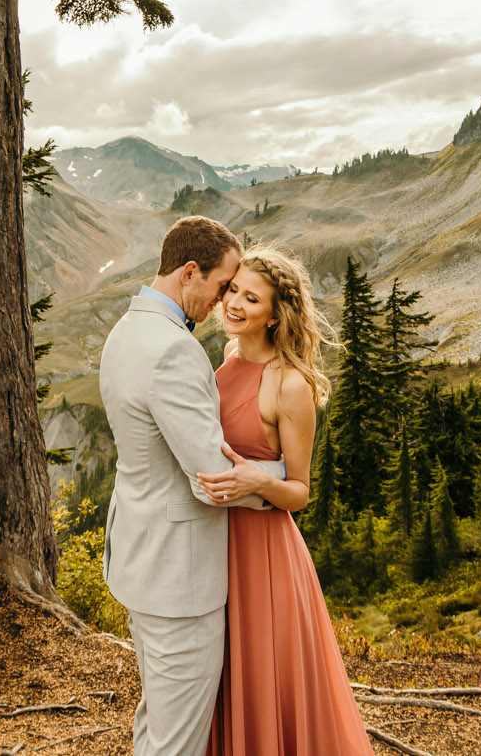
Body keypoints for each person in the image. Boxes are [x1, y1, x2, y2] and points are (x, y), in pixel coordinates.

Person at [98, 216, 277, 756]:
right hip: (179, 579)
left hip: (140, 559)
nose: (224, 303)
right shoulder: (175, 350)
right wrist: (284, 477)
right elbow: (211, 482)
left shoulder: (127, 329)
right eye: (223, 286)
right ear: (190, 273)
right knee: (177, 743)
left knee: (156, 721)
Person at [198, 247, 375, 756]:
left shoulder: (290, 385)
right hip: (216, 545)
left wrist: (256, 482)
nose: (234, 303)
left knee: (264, 675)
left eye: (251, 298)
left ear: (275, 315)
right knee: (222, 675)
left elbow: (299, 491)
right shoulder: (228, 362)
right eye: (233, 290)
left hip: (267, 558)